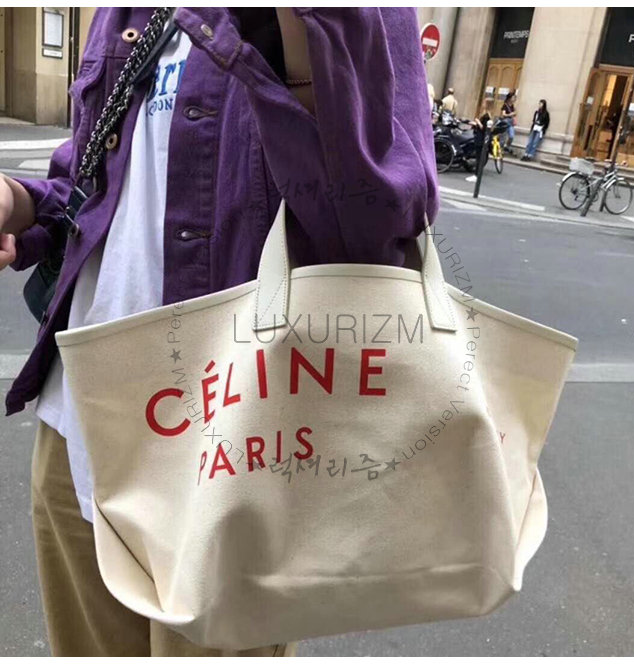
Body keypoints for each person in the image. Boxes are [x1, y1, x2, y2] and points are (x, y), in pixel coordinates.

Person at [0, 8, 440, 658]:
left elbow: (378, 228)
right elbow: (89, 182)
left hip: (233, 448)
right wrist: (18, 203)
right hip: (77, 428)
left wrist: (303, 36)